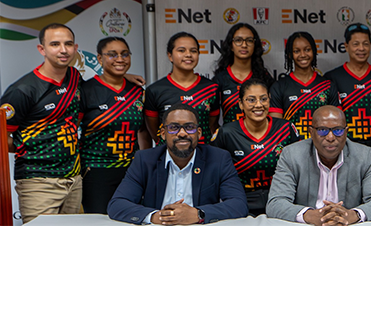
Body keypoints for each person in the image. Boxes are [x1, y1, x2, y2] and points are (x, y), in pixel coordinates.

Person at [108, 104, 248, 225]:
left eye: (189, 127)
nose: (182, 133)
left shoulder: (219, 159)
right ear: (163, 133)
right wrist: (157, 216)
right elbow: (117, 204)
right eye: (174, 127)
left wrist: (198, 214)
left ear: (199, 133)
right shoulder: (144, 160)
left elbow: (239, 204)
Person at [0, 24, 83, 223]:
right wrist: (28, 147)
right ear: (42, 49)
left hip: (73, 178)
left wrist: (123, 78)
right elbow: (2, 137)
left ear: (75, 48)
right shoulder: (22, 90)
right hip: (38, 180)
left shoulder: (74, 77)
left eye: (68, 44)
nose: (63, 50)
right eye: (55, 44)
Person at [266, 106, 371, 226]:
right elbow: (275, 203)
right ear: (311, 132)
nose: (330, 137)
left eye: (338, 130)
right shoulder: (292, 155)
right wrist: (309, 216)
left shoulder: (364, 155)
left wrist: (351, 215)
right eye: (322, 130)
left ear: (346, 132)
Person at [79, 37, 148, 215]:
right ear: (100, 59)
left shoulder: (137, 91)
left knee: (132, 218)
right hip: (96, 172)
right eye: (112, 54)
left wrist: (144, 163)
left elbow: (142, 130)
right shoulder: (86, 90)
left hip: (131, 173)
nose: (120, 59)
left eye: (125, 54)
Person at [212, 79, 300, 216]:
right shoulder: (227, 133)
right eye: (251, 100)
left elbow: (300, 166)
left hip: (281, 201)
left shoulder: (285, 128)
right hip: (241, 204)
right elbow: (214, 171)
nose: (258, 105)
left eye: (263, 99)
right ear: (241, 104)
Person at [144, 32, 220, 145]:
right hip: (168, 155)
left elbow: (211, 125)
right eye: (181, 50)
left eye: (193, 51)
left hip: (203, 154)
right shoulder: (155, 90)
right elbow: (155, 132)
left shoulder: (211, 88)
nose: (188, 54)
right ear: (170, 56)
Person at [326, 23, 371, 149]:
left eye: (365, 44)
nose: (361, 48)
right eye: (356, 44)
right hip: (343, 147)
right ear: (346, 46)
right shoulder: (332, 78)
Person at [269, 31, 339, 140]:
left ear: (314, 51)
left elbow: (336, 123)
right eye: (297, 51)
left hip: (323, 149)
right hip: (292, 149)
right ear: (290, 55)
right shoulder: (279, 86)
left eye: (307, 50)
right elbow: (276, 128)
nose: (303, 55)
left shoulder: (327, 86)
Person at [213, 23, 275, 126]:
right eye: (238, 40)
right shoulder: (220, 79)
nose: (244, 45)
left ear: (255, 45)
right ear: (231, 46)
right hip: (230, 138)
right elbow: (213, 123)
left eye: (249, 40)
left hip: (260, 139)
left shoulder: (264, 78)